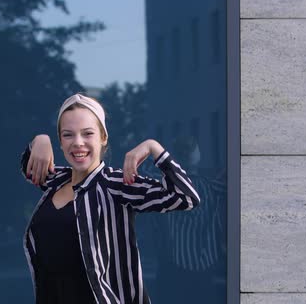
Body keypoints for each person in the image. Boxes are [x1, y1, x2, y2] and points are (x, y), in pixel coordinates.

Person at [20, 93, 201, 304]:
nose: (78, 143)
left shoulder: (117, 184)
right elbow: (29, 166)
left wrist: (153, 147)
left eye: (88, 133)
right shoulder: (55, 180)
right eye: (68, 135)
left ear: (103, 137)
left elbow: (186, 197)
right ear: (60, 141)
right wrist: (41, 139)